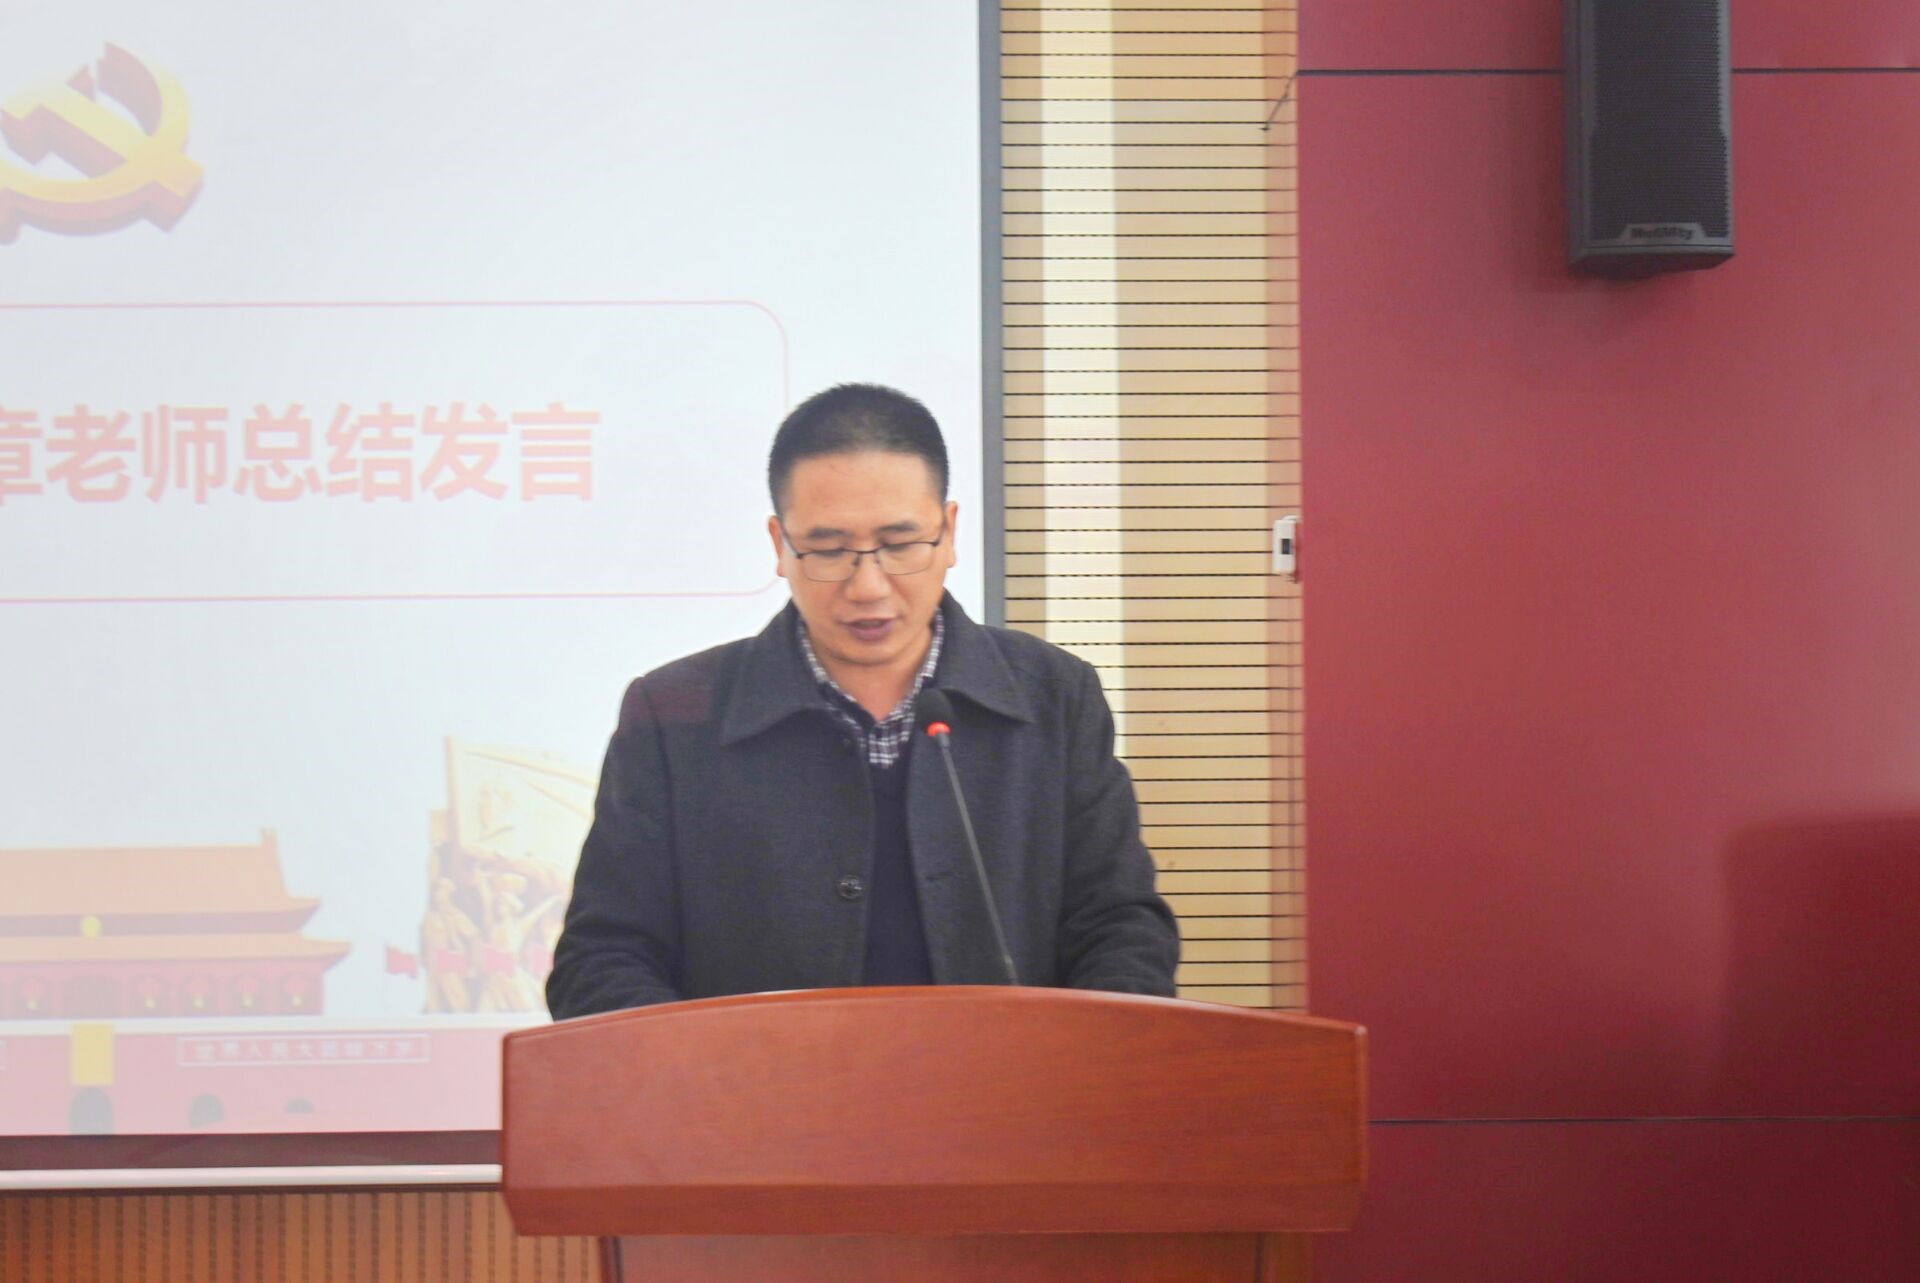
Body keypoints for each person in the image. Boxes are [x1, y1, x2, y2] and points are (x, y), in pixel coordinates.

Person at [544, 383, 1178, 1019]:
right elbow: (602, 960)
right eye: (828, 550)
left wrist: (1075, 1061)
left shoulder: (1055, 698)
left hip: (1011, 1081)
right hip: (754, 1084)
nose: (868, 586)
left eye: (900, 545)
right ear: (780, 545)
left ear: (949, 533)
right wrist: (717, 1071)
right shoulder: (673, 715)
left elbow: (1120, 929)